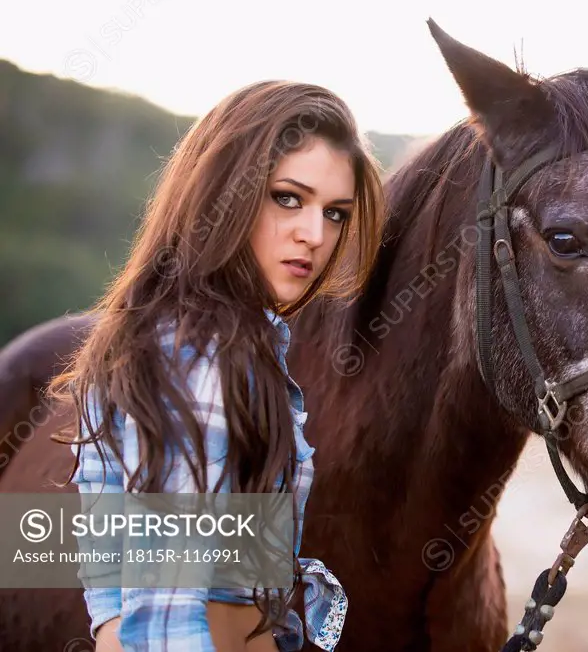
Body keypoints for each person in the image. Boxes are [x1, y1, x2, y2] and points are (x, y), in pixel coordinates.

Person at [49, 80, 386, 651]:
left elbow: (111, 593)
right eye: (287, 198)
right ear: (224, 193)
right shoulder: (202, 355)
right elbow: (169, 614)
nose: (314, 234)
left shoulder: (162, 337)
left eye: (334, 213)